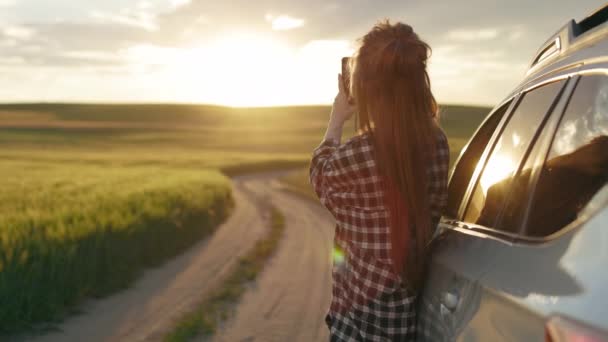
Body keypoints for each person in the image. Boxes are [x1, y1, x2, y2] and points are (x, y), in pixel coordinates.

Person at [309, 20, 449, 341]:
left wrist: (336, 120)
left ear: (365, 88)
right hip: (404, 316)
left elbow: (320, 174)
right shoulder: (437, 142)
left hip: (357, 325)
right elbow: (437, 207)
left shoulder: (361, 152)